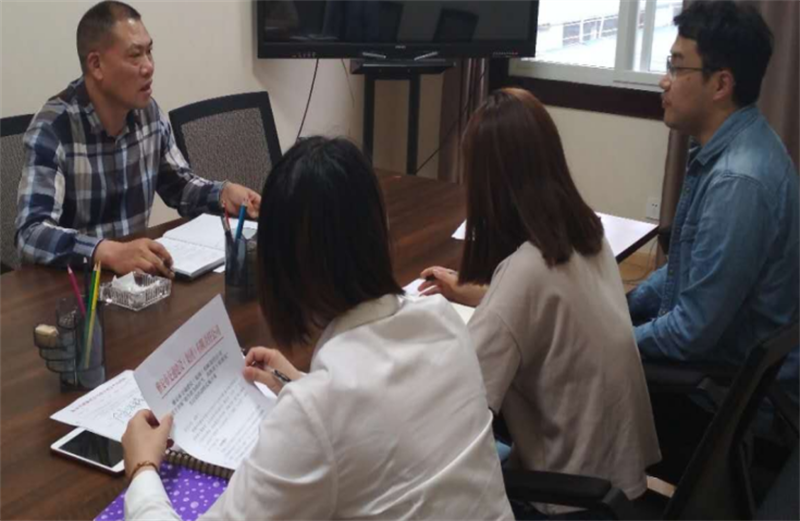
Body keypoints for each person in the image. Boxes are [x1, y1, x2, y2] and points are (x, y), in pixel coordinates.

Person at [121, 137, 514, 520]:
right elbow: (381, 411)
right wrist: (302, 383)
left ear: (279, 270)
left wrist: (142, 469)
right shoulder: (443, 321)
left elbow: (339, 415)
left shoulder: (315, 414)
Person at [420, 88, 660, 517]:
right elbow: (546, 315)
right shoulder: (586, 236)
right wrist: (477, 293)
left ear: (489, 184)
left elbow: (459, 407)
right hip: (617, 488)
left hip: (566, 500)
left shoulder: (525, 273)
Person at [625, 1, 799, 481]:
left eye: (676, 68)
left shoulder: (738, 181)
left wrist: (609, 339)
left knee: (553, 382)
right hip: (723, 378)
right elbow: (687, 268)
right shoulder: (738, 145)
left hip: (723, 407)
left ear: (721, 84)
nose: (664, 82)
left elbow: (690, 334)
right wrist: (626, 305)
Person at [15, 1, 260, 278]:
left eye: (149, 52)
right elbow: (31, 234)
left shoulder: (148, 113)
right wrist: (105, 252)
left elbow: (179, 186)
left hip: (137, 284)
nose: (149, 67)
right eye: (135, 56)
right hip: (76, 288)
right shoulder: (53, 128)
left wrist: (222, 194)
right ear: (96, 65)